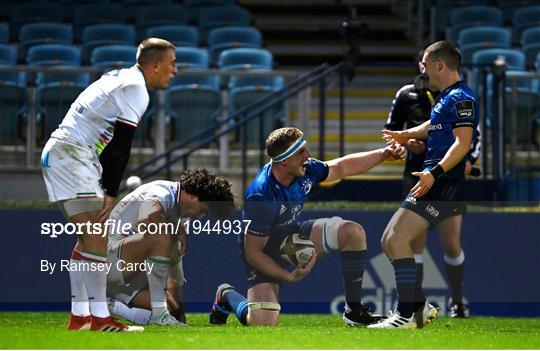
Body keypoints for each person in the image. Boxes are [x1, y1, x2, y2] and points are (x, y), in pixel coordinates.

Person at [40, 38, 177, 331]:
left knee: (87, 239)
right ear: (155, 65)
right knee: (98, 237)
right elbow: (119, 147)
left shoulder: (122, 78)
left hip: (63, 152)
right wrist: (110, 192)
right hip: (73, 154)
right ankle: (100, 319)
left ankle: (81, 318)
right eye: (172, 63)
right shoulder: (137, 88)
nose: (175, 71)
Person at [209, 127, 405, 327]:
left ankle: (354, 311)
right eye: (301, 152)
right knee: (262, 323)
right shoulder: (262, 195)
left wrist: (383, 154)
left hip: (291, 235)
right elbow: (253, 253)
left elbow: (341, 167)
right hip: (264, 252)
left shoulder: (305, 169)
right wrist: (288, 276)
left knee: (352, 232)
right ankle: (226, 295)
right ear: (284, 160)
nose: (308, 155)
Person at [368, 40, 479, 329]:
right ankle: (416, 306)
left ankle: (406, 313)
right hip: (430, 180)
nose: (423, 70)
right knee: (388, 239)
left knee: (396, 239)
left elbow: (463, 143)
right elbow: (431, 127)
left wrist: (436, 171)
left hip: (442, 183)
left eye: (426, 65)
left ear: (440, 65)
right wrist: (405, 135)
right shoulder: (445, 97)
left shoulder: (463, 98)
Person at [105, 168, 236, 326]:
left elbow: (173, 274)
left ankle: (110, 305)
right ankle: (156, 315)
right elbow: (145, 219)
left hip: (125, 270)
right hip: (106, 262)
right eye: (203, 210)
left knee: (172, 311)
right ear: (193, 197)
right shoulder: (161, 192)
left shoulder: (181, 218)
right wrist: (174, 228)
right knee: (160, 233)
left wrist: (179, 316)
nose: (200, 217)